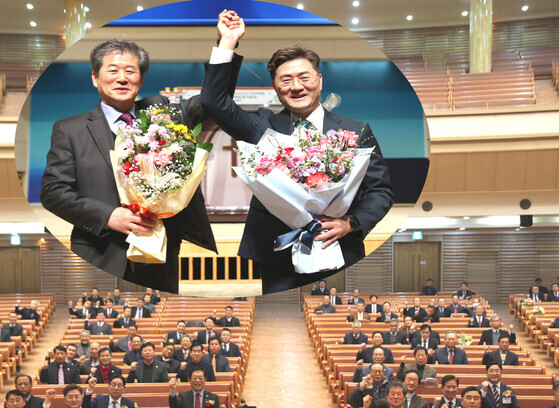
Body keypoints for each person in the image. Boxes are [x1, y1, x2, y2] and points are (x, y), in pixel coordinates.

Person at [202, 11, 393, 294]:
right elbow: (214, 102)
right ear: (275, 87)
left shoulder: (356, 131)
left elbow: (381, 191)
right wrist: (227, 42)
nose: (296, 86)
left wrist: (350, 224)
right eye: (286, 80)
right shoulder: (261, 126)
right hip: (277, 253)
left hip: (340, 249)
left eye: (304, 77)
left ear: (319, 79)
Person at [40, 38, 238, 294]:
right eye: (112, 70)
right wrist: (109, 216)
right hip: (99, 253)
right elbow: (53, 192)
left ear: (141, 79)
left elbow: (215, 99)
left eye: (130, 71)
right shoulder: (70, 130)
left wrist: (227, 44)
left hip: (160, 255)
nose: (122, 78)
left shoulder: (167, 115)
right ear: (94, 78)